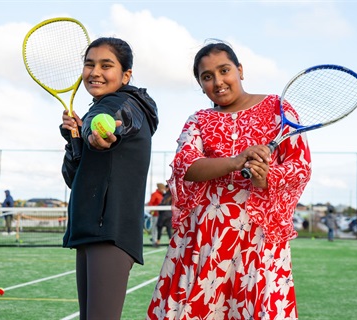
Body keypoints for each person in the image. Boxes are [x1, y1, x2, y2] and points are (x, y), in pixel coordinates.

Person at [146, 41, 311, 319]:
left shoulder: (278, 110)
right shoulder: (198, 120)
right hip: (204, 239)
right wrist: (237, 161)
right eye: (207, 76)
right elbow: (187, 166)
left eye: (224, 70)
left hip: (259, 241)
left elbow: (300, 167)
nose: (218, 82)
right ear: (200, 85)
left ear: (240, 70)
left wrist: (266, 178)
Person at [60, 37, 158, 320]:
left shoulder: (126, 103)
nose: (95, 72)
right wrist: (74, 139)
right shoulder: (96, 109)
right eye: (89, 64)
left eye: (106, 65)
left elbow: (113, 118)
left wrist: (94, 130)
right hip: (91, 227)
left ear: (126, 75)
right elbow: (73, 178)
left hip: (110, 230)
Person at [147, 183, 166, 247]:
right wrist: (152, 211)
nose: (164, 190)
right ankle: (154, 241)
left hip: (162, 214)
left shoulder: (163, 195)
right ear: (160, 188)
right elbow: (151, 203)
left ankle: (157, 240)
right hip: (156, 214)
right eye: (163, 188)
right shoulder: (154, 194)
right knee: (155, 227)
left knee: (160, 228)